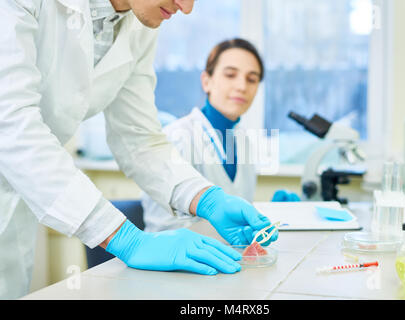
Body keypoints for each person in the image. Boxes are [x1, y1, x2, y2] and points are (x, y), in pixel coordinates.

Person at [0, 0, 278, 300]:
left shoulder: (140, 22)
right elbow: (11, 123)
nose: (186, 8)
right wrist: (128, 240)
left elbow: (138, 136)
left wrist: (207, 199)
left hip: (18, 202)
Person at [142, 38, 300, 233]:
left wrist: (269, 212)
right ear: (206, 81)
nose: (242, 86)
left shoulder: (243, 141)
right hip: (177, 261)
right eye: (230, 75)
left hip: (230, 257)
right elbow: (164, 228)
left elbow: (233, 212)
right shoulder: (177, 138)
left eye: (252, 79)